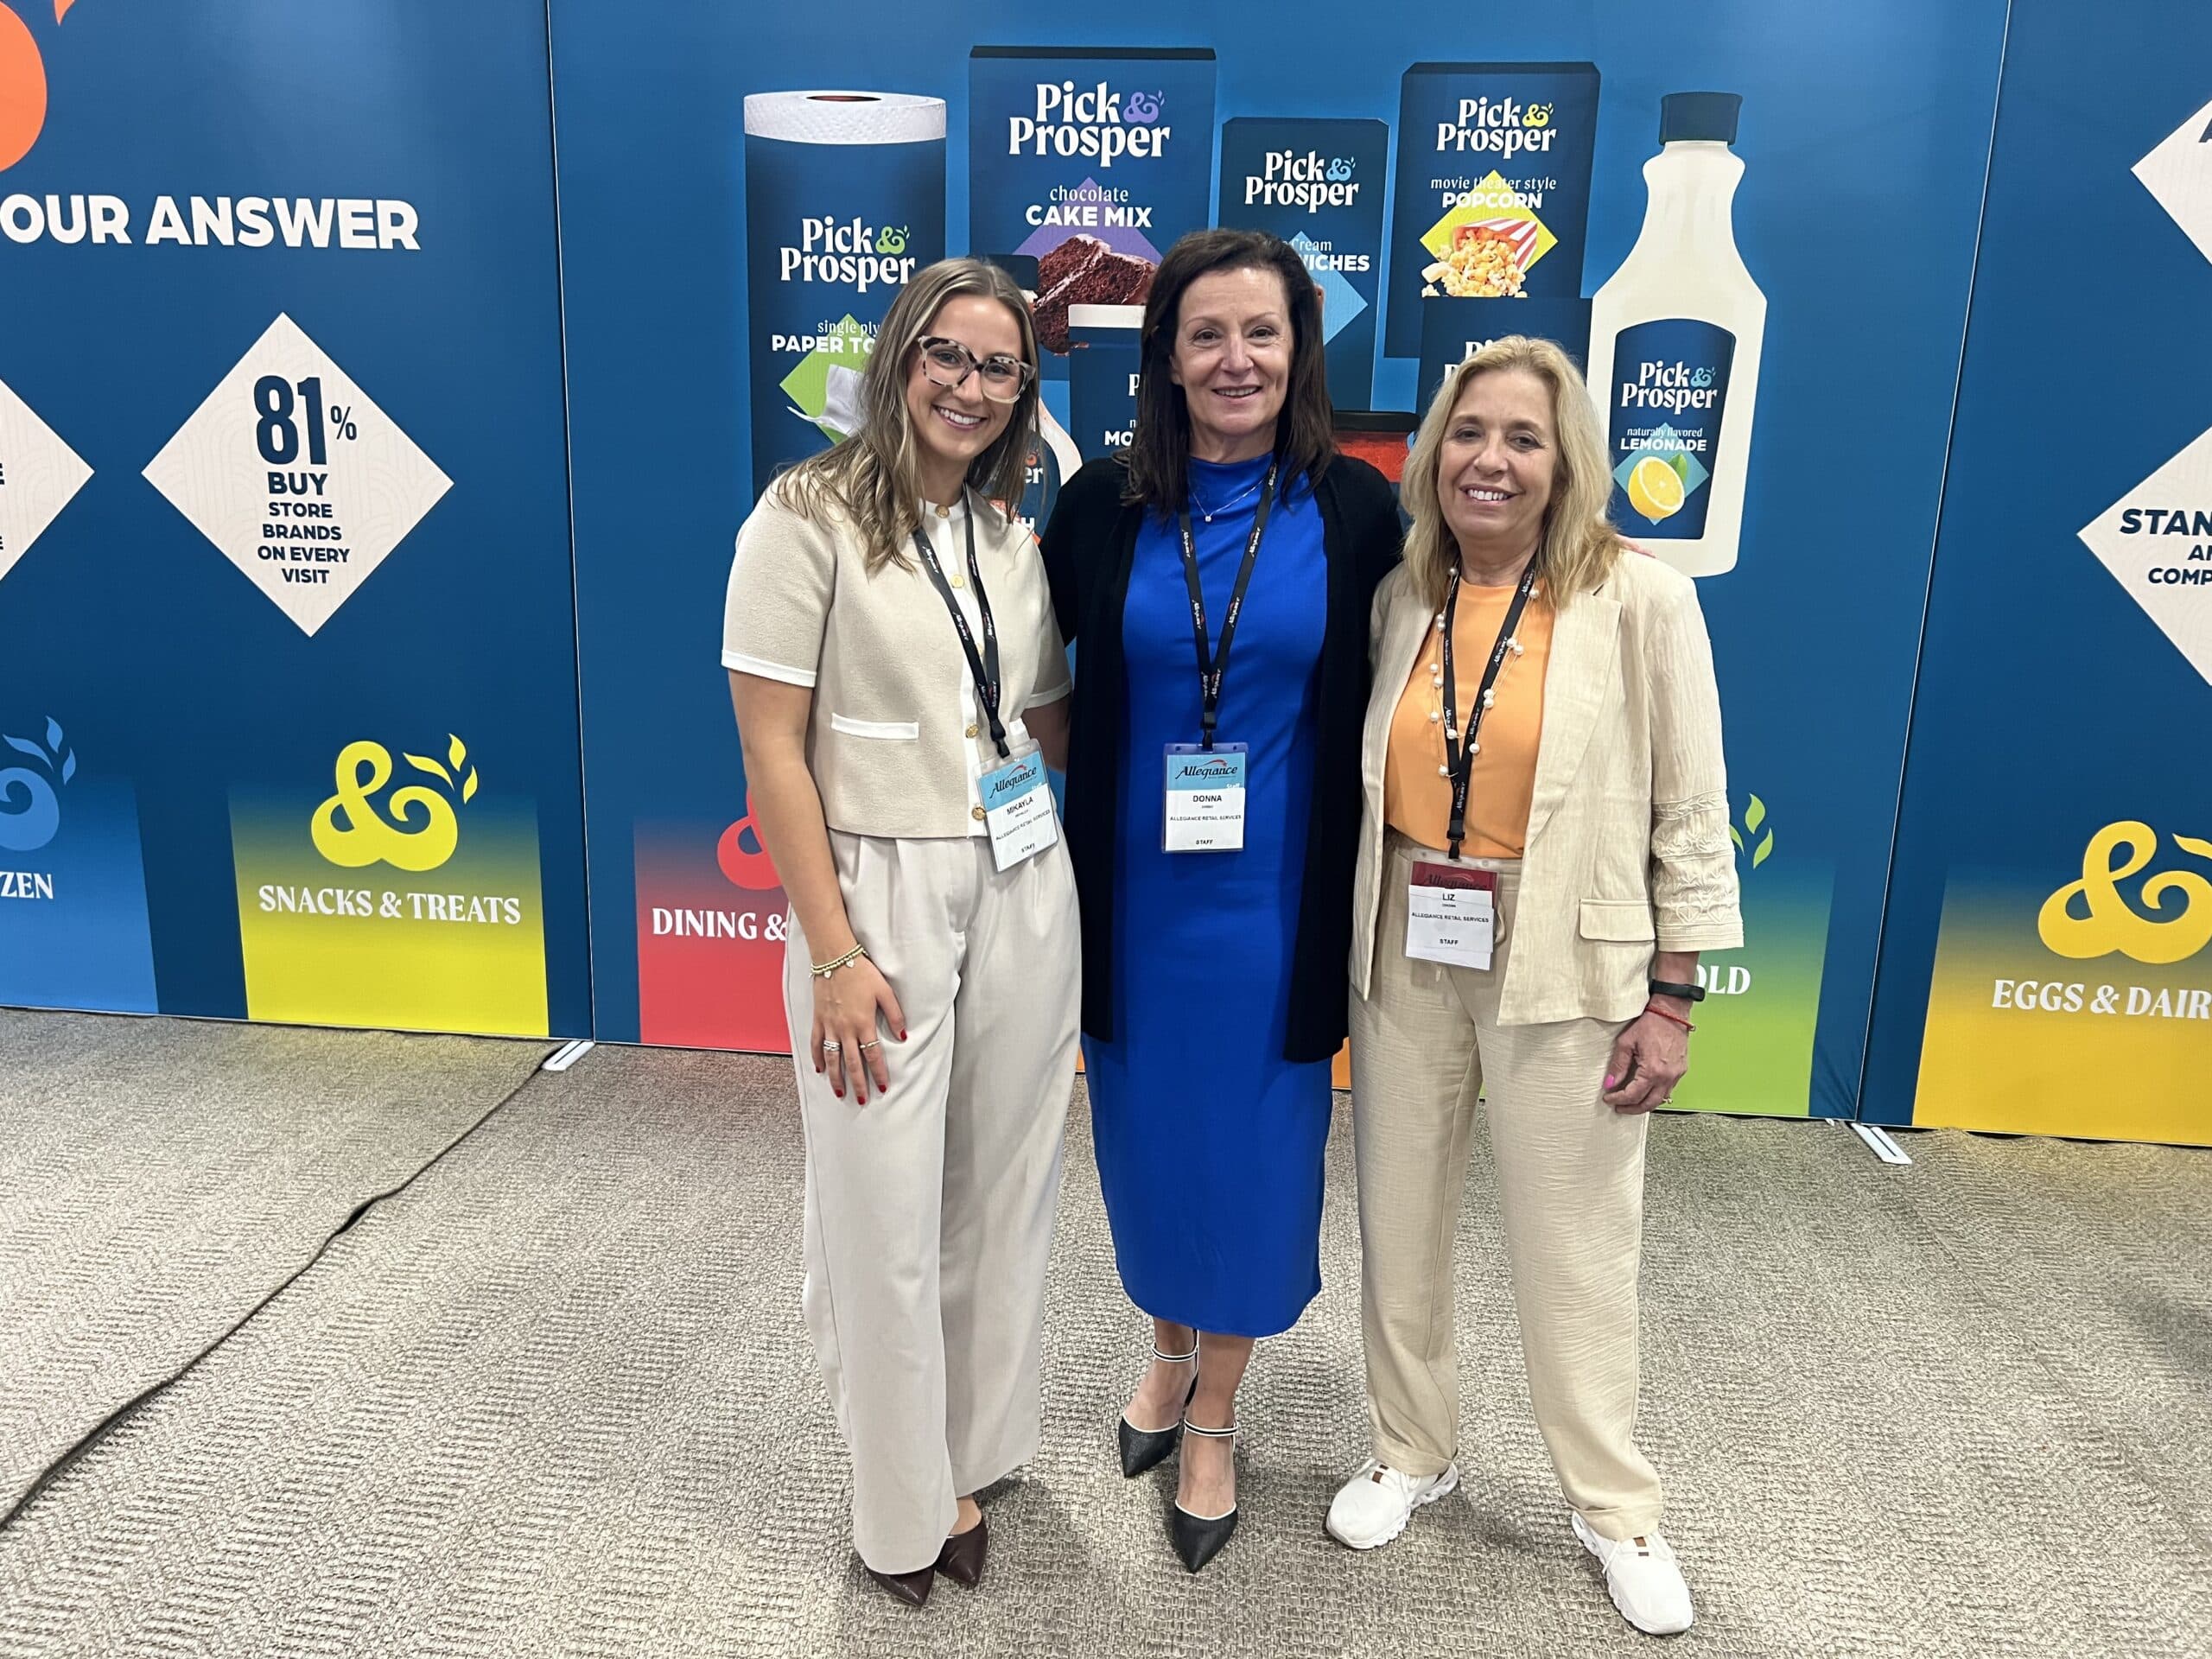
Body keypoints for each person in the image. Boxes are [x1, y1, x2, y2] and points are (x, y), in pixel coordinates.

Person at [1324, 335, 1741, 1637]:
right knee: (1398, 1219)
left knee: (1576, 1247)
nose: (1489, 461)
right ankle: (1413, 1447)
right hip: (1407, 931)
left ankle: (1614, 1508)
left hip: (1570, 949)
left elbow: (1692, 808)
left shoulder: (1642, 599)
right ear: (1431, 454)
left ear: (1567, 464)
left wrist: (1674, 998)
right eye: (1468, 433)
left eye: (1522, 438)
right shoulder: (1404, 596)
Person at [1040, 229, 1402, 1572]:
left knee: (1253, 1165)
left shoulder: (1358, 512)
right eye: (1207, 333)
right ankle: (1165, 1353)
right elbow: (1029, 680)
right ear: (1168, 356)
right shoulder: (1103, 504)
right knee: (1149, 1152)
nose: (1235, 358)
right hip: (1136, 911)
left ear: (1300, 349)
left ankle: (1216, 1414)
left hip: (1273, 912)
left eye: (1262, 331)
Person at [722, 257, 1077, 1608]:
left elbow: (1043, 722)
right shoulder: (804, 515)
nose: (970, 386)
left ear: (1024, 392)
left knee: (1000, 1184)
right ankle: (898, 1509)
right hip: (877, 887)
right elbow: (772, 747)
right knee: (880, 1203)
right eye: (948, 354)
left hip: (1020, 874)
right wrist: (832, 950)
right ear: (897, 357)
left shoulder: (1006, 538)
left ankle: (971, 1454)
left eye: (1000, 368)